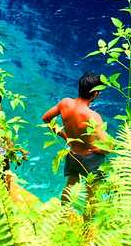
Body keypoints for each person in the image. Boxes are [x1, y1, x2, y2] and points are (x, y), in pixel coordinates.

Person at [41, 73, 109, 203]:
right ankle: (88, 222)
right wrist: (96, 148)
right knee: (92, 194)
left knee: (70, 187)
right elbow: (107, 148)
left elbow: (46, 119)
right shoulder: (93, 116)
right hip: (90, 158)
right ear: (95, 94)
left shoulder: (65, 103)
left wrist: (65, 137)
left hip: (73, 154)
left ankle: (63, 215)